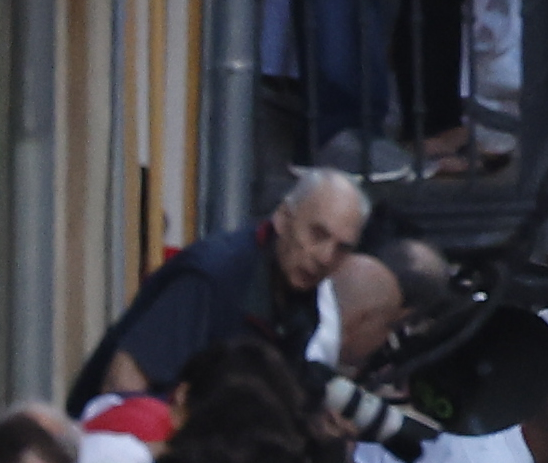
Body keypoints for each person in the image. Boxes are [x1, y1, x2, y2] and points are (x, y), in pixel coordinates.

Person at [74, 169, 372, 402]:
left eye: (342, 249)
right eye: (317, 234)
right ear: (283, 218)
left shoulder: (301, 298)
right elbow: (123, 383)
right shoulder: (215, 275)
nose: (325, 257)